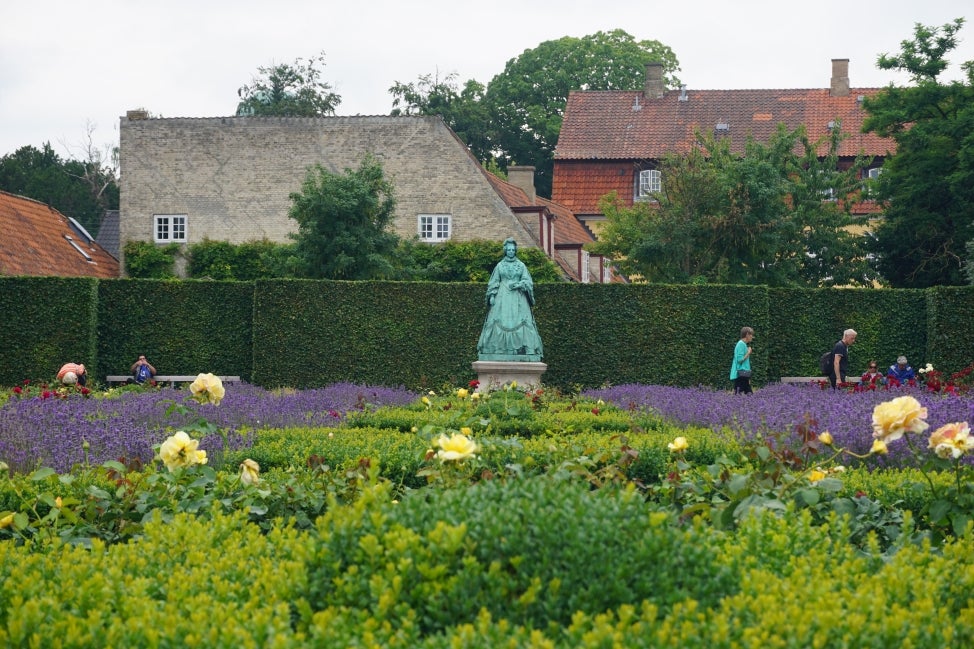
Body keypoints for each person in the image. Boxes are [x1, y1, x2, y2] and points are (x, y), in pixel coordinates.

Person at [476, 238, 544, 361]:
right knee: (496, 321)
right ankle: (496, 349)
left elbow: (528, 282)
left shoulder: (521, 265)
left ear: (515, 251)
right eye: (509, 250)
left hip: (518, 298)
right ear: (505, 251)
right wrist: (492, 296)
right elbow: (494, 282)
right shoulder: (499, 266)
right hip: (502, 298)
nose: (511, 252)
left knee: (523, 322)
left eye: (513, 250)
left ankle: (526, 349)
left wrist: (520, 284)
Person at [729, 326, 754, 394]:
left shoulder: (743, 344)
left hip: (744, 375)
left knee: (744, 395)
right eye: (751, 335)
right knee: (741, 395)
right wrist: (748, 353)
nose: (752, 337)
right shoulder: (741, 344)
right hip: (741, 374)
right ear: (747, 335)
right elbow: (740, 360)